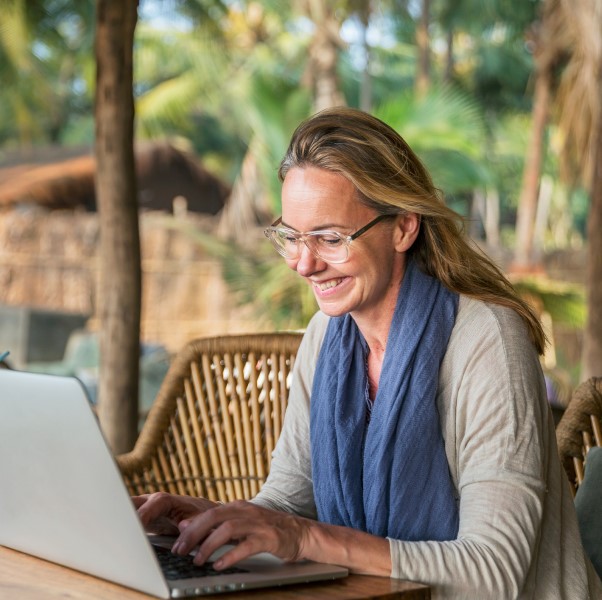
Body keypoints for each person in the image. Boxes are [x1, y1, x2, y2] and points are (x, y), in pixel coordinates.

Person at [135, 107, 602, 599]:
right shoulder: (326, 335)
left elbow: (495, 574)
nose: (304, 263)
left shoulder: (486, 341)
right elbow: (289, 500)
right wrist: (215, 520)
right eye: (291, 237)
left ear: (403, 227)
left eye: (330, 238)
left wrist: (306, 539)